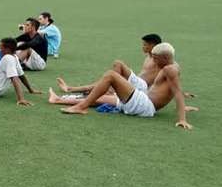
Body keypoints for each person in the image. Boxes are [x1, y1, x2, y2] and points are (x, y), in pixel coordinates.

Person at [58, 43, 196, 129]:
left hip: (145, 106)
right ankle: (79, 100)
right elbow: (172, 90)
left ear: (165, 58)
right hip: (144, 100)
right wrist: (183, 107)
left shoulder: (170, 69)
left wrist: (182, 119)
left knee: (111, 75)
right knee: (112, 75)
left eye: (155, 58)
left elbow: (177, 92)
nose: (152, 61)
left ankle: (81, 107)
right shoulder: (172, 66)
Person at [56, 34, 163, 94]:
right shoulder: (149, 56)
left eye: (145, 45)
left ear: (153, 45)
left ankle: (110, 90)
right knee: (106, 78)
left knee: (118, 64)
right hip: (137, 83)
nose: (143, 47)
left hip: (142, 87)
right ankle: (71, 89)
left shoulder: (159, 59)